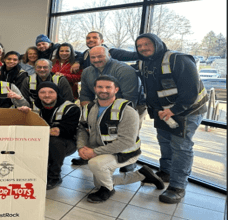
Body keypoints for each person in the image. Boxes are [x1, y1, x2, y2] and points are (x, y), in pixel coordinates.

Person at [135, 33, 208, 204]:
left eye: (147, 44)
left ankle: (177, 186)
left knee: (181, 146)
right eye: (139, 46)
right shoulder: (144, 62)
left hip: (188, 110)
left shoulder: (178, 59)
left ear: (158, 44)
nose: (143, 48)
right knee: (164, 140)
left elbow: (191, 91)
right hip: (163, 111)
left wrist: (174, 110)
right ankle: (166, 172)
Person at [77, 75, 164, 203]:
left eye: (108, 87)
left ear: (116, 89)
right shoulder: (88, 109)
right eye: (100, 87)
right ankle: (142, 174)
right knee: (98, 182)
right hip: (103, 150)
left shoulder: (127, 111)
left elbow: (126, 142)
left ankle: (108, 190)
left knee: (96, 165)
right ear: (95, 88)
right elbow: (82, 129)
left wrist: (95, 152)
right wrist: (81, 148)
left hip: (125, 152)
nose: (104, 90)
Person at [76, 46, 144, 171]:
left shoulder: (124, 70)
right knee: (94, 128)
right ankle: (90, 153)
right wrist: (90, 114)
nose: (96, 60)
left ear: (109, 55)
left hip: (130, 106)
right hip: (101, 103)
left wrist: (109, 113)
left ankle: (128, 159)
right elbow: (85, 95)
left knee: (127, 134)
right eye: (93, 57)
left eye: (100, 56)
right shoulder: (87, 72)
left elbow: (130, 99)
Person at [18, 82, 80, 190]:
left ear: (57, 93)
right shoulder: (33, 106)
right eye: (42, 92)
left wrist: (60, 130)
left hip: (66, 143)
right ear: (38, 94)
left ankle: (54, 176)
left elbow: (71, 129)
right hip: (40, 139)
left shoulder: (70, 108)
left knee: (54, 142)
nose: (47, 95)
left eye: (51, 92)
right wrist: (24, 114)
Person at [71, 31, 138, 72]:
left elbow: (133, 56)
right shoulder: (86, 53)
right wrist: (77, 62)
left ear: (102, 41)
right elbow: (79, 55)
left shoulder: (111, 52)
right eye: (88, 38)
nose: (90, 40)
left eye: (95, 38)